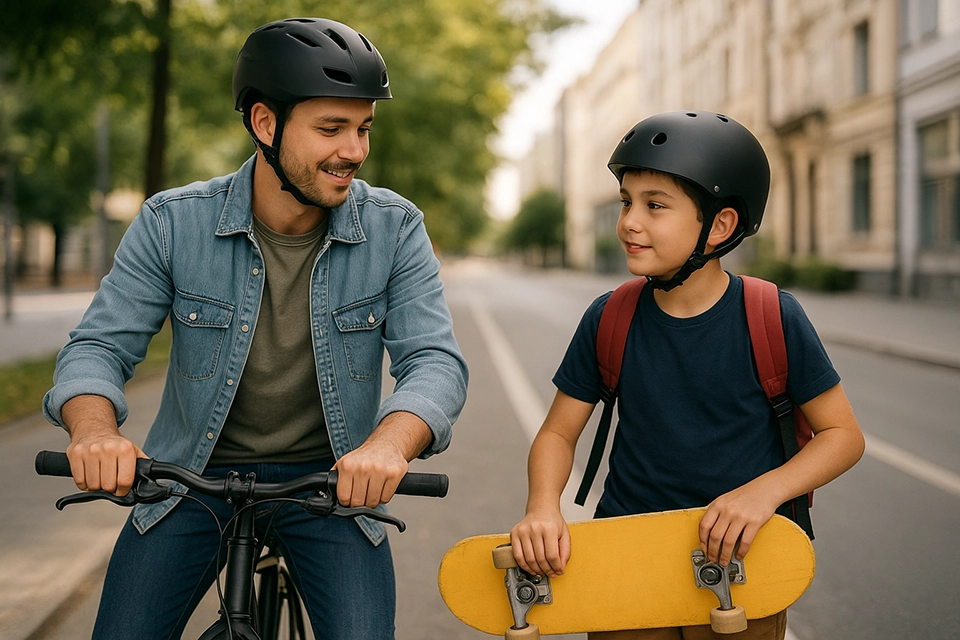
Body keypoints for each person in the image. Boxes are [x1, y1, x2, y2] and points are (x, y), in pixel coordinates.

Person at [42, 17, 468, 640]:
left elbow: (435, 361)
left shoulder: (395, 228)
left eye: (363, 129)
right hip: (191, 480)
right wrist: (95, 433)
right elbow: (98, 347)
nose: (354, 150)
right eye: (331, 129)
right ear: (265, 124)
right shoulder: (171, 223)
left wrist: (386, 447)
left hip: (331, 485)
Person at [509, 111, 864, 640]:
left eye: (655, 206)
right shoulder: (609, 316)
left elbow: (843, 437)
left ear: (719, 225)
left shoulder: (771, 316)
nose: (629, 220)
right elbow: (558, 433)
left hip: (740, 562)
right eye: (628, 201)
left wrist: (763, 493)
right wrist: (543, 507)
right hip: (628, 553)